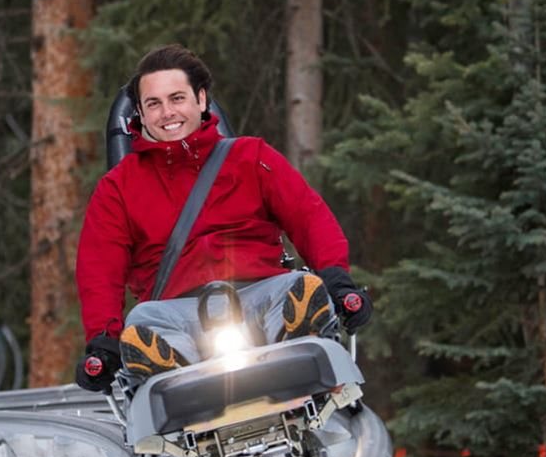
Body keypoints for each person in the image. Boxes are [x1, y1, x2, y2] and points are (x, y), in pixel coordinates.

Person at [73, 44, 372, 393]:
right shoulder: (118, 188)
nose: (167, 112)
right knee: (142, 321)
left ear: (201, 99)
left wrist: (337, 281)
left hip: (260, 294)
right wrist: (103, 341)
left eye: (177, 98)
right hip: (175, 311)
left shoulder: (251, 157)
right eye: (153, 104)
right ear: (140, 112)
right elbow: (99, 269)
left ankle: (295, 349)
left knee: (301, 288)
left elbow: (308, 216)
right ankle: (173, 373)